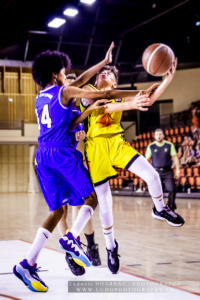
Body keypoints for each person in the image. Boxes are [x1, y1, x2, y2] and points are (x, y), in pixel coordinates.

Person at [13, 48, 153, 292]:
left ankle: (28, 263)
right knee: (92, 197)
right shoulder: (63, 91)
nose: (67, 75)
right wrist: (106, 64)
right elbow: (86, 85)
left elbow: (73, 117)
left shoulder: (40, 97)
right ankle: (72, 240)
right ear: (56, 74)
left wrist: (88, 109)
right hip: (61, 154)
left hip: (42, 155)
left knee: (57, 211)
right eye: (63, 72)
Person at [78, 60, 184, 275]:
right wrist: (129, 103)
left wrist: (167, 80)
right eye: (102, 72)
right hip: (96, 148)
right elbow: (102, 104)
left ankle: (160, 208)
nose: (104, 74)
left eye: (109, 72)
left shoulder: (119, 93)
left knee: (152, 175)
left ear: (116, 80)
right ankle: (110, 247)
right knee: (105, 201)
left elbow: (149, 98)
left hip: (117, 142)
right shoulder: (89, 91)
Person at [58, 73, 101, 271]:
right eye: (68, 82)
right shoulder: (57, 105)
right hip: (56, 161)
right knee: (60, 211)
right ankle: (69, 255)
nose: (72, 85)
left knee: (83, 206)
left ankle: (91, 245)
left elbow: (82, 143)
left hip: (74, 162)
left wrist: (81, 139)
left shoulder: (78, 111)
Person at [146, 128, 180, 211]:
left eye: (160, 134)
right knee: (156, 191)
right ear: (154, 136)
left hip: (168, 171)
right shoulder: (151, 146)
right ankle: (158, 208)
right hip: (156, 172)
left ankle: (171, 207)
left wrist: (178, 170)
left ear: (163, 135)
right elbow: (147, 159)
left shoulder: (169, 145)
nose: (158, 136)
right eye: (157, 134)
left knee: (172, 189)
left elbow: (175, 158)